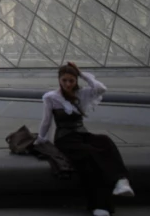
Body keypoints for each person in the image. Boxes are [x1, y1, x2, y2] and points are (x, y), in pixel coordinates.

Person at [36, 63, 134, 216]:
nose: (68, 84)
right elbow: (46, 122)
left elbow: (101, 88)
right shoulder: (51, 97)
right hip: (65, 139)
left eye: (71, 80)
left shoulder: (82, 94)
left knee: (105, 141)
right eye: (64, 80)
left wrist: (81, 74)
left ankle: (121, 180)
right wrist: (40, 140)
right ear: (59, 80)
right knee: (91, 157)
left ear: (76, 80)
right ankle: (100, 205)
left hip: (82, 135)